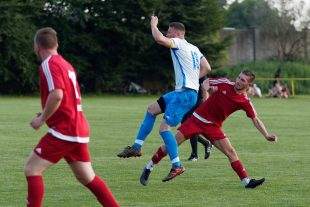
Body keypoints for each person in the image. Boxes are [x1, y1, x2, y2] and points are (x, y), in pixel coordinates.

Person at [24, 27, 119, 207]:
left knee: (32, 169)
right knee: (87, 177)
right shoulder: (65, 63)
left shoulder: (49, 64)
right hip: (78, 128)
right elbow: (64, 98)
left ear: (36, 46)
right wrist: (47, 112)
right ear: (57, 44)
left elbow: (57, 94)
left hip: (64, 130)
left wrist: (41, 119)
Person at [140, 70, 278, 188]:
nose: (238, 81)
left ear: (248, 85)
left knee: (231, 152)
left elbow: (255, 119)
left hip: (213, 127)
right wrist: (206, 93)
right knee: (171, 145)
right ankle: (149, 167)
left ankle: (246, 181)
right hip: (196, 120)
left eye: (242, 80)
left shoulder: (245, 101)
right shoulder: (224, 83)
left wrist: (266, 135)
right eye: (238, 77)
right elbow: (205, 83)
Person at [117, 15, 211, 176]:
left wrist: (153, 24)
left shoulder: (179, 43)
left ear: (176, 32)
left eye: (169, 31)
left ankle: (177, 165)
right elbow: (207, 67)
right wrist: (194, 80)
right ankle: (136, 147)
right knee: (152, 109)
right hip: (183, 92)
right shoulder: (194, 48)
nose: (167, 34)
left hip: (185, 95)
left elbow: (159, 39)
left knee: (164, 129)